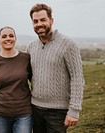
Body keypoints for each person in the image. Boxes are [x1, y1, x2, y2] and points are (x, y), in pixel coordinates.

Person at [26, 3, 85, 133]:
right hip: (35, 108)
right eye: (35, 21)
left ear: (51, 20)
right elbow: (25, 76)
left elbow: (77, 78)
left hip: (58, 112)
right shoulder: (31, 47)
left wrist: (74, 110)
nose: (39, 24)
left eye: (43, 20)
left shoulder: (68, 44)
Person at [0, 26, 33, 133]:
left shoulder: (26, 58)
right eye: (4, 36)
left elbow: (35, 81)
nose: (8, 38)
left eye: (11, 35)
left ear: (15, 38)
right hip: (0, 114)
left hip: (24, 113)